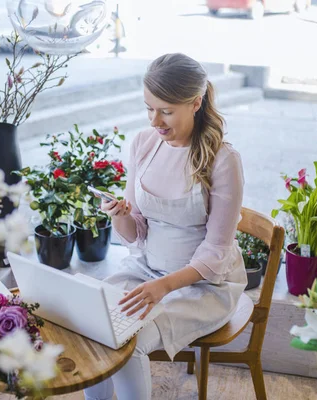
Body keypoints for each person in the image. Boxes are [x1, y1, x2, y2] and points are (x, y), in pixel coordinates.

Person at [83, 53, 247, 400]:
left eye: (166, 111)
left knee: (128, 343)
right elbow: (135, 233)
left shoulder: (223, 160)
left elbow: (217, 252)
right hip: (146, 268)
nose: (155, 120)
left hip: (203, 285)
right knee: (93, 324)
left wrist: (163, 287)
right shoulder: (144, 144)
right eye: (149, 108)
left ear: (196, 103)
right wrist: (119, 213)